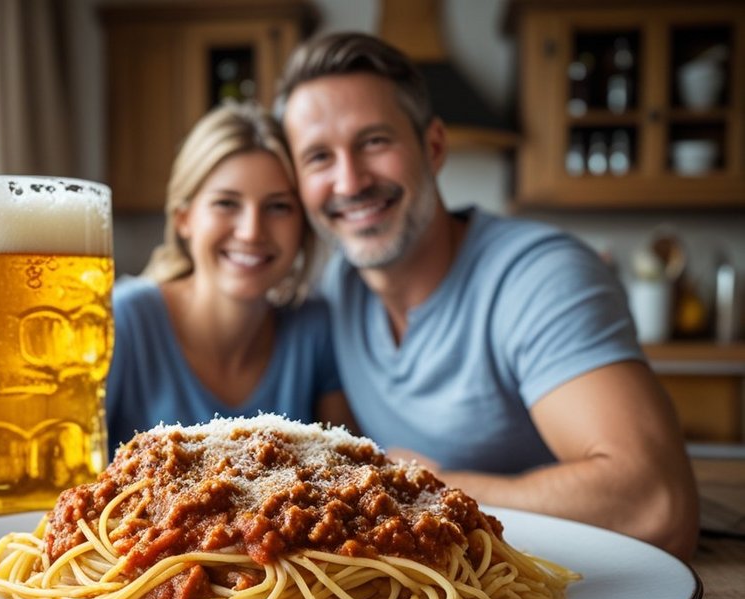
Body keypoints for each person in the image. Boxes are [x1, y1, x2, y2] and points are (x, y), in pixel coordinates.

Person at [274, 31, 698, 559]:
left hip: (573, 592)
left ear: (433, 147)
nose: (350, 180)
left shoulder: (540, 278)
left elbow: (657, 505)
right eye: (318, 157)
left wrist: (431, 486)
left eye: (374, 142)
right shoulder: (332, 292)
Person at [105, 101, 356, 457]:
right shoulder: (123, 319)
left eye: (278, 206)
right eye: (226, 203)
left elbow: (350, 471)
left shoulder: (314, 329)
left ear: (303, 227)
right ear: (184, 218)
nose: (252, 232)